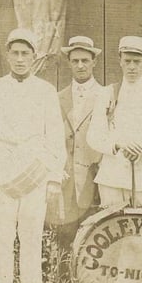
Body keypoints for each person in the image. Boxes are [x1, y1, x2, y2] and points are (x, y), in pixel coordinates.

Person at [0, 28, 65, 283]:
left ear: (34, 56)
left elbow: (55, 136)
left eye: (25, 53)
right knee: (2, 236)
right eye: (15, 53)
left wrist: (54, 177)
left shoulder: (46, 91)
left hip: (34, 172)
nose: (20, 59)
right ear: (7, 55)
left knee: (31, 236)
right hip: (2, 171)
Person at [87, 36, 142, 216]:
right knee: (113, 228)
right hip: (112, 178)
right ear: (120, 61)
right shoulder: (107, 94)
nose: (132, 67)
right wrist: (117, 144)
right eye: (127, 61)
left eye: (137, 61)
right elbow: (94, 136)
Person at [53, 36, 104, 255]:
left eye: (85, 60)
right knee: (65, 240)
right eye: (75, 61)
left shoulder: (106, 96)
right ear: (69, 63)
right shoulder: (58, 97)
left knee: (94, 240)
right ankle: (64, 276)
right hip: (66, 179)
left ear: (94, 62)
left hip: (95, 179)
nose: (80, 65)